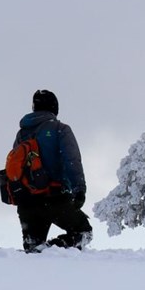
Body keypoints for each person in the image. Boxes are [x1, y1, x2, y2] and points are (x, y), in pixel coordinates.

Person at [12, 89, 92, 253]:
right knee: (83, 232)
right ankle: (53, 253)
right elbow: (72, 160)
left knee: (34, 250)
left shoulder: (21, 134)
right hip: (54, 198)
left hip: (27, 202)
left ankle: (43, 254)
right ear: (55, 108)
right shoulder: (60, 129)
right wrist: (79, 189)